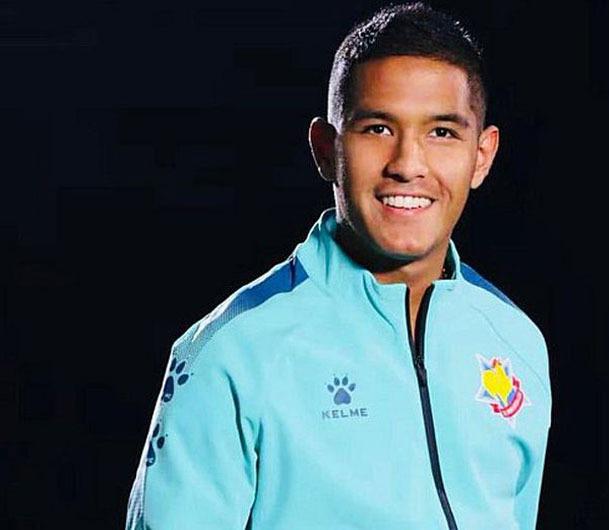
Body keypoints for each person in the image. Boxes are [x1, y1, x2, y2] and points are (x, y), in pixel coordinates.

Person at [125, 3, 551, 529]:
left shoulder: (516, 341)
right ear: (326, 149)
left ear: (481, 155)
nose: (408, 165)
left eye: (441, 132)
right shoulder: (233, 351)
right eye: (377, 128)